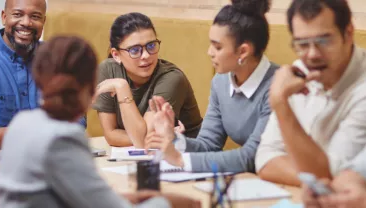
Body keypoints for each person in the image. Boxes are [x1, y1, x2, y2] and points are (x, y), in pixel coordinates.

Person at [0, 35, 201, 208]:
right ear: (90, 87)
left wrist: (131, 198)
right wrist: (171, 202)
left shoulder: (21, 124)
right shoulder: (63, 137)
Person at [144, 0, 278, 173]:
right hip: (253, 179)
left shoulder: (277, 87)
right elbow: (208, 144)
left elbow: (252, 155)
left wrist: (179, 159)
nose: (209, 52)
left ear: (243, 51)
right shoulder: (220, 82)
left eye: (217, 47)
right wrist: (173, 138)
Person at [255, 0, 366, 186]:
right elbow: (265, 159)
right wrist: (317, 182)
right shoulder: (299, 72)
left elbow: (334, 173)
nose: (313, 54)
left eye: (323, 41)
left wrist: (280, 103)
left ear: (348, 34)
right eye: (303, 44)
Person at [92, 12, 202, 148]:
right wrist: (147, 138)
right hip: (143, 156)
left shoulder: (172, 78)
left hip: (188, 157)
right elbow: (111, 134)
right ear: (116, 55)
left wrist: (122, 87)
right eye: (135, 50)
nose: (145, 55)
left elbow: (141, 139)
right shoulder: (108, 70)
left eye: (151, 46)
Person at [0, 0, 85, 149]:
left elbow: (77, 121)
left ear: (44, 21)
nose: (26, 23)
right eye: (18, 14)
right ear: (4, 17)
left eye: (35, 16)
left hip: (53, 159)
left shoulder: (57, 60)